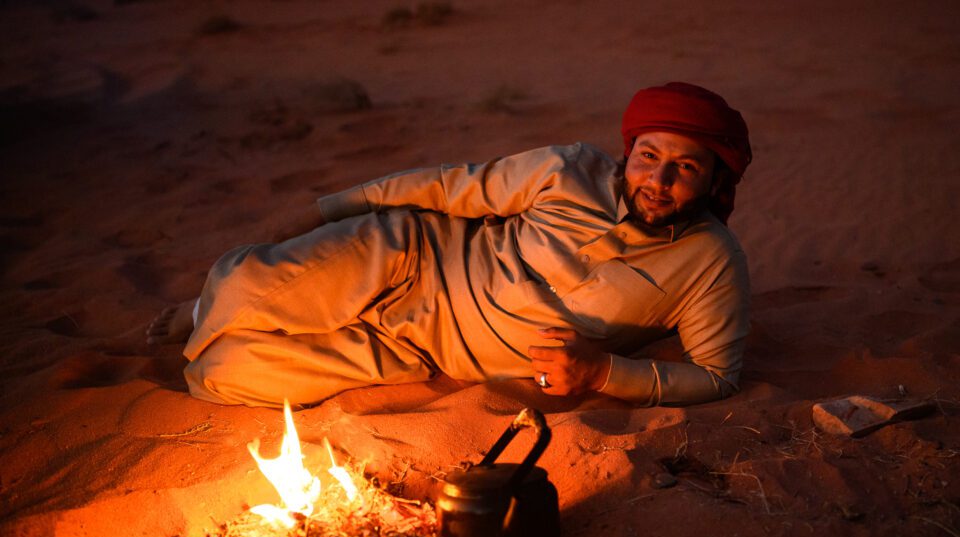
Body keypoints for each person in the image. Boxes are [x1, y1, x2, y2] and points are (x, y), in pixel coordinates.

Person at [147, 82, 752, 409]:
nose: (659, 180)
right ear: (630, 151)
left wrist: (602, 374)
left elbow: (717, 377)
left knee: (224, 376)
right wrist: (318, 213)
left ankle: (212, 322)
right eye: (649, 156)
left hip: (416, 353)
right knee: (244, 285)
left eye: (685, 168)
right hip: (409, 257)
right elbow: (443, 186)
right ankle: (206, 308)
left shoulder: (710, 263)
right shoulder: (569, 170)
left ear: (714, 181)